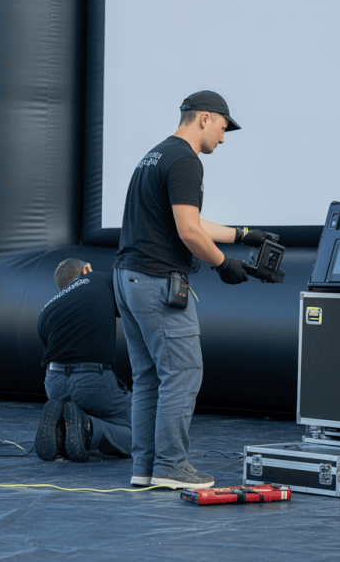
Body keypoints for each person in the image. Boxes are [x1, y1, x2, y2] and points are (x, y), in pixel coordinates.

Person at [113, 90, 268, 490]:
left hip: (128, 279)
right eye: (222, 126)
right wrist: (223, 264)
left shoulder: (156, 155)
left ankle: (145, 468)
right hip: (157, 281)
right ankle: (171, 468)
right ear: (204, 118)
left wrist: (244, 235)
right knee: (182, 373)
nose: (223, 136)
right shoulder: (186, 161)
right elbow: (188, 231)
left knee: (149, 377)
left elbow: (189, 221)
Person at [34, 259, 131, 462]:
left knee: (77, 406)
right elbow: (132, 303)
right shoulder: (96, 279)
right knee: (144, 434)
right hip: (92, 380)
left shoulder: (45, 311)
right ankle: (88, 429)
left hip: (54, 384)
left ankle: (61, 433)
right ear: (86, 269)